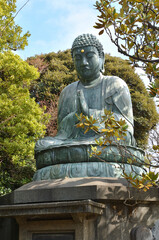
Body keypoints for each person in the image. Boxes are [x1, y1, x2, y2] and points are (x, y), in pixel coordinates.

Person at [35, 34, 138, 171]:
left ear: (102, 58)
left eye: (89, 56)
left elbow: (126, 128)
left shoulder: (115, 85)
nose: (84, 62)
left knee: (123, 139)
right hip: (74, 143)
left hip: (108, 142)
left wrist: (90, 114)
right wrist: (76, 117)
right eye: (78, 58)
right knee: (42, 145)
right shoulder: (68, 91)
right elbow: (62, 134)